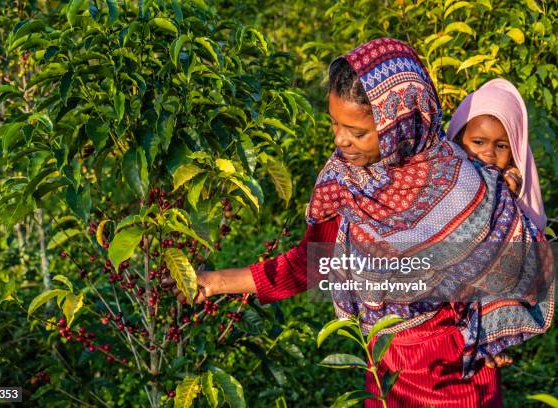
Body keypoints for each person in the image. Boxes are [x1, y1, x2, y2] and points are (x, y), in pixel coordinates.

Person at [162, 38, 553, 407]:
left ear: (399, 123)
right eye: (336, 125)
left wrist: (491, 337)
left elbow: (512, 259)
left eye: (359, 132)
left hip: (454, 377)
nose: (342, 142)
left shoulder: (463, 183)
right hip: (383, 366)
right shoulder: (345, 185)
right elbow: (312, 263)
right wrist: (215, 282)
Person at [446, 78, 547, 232]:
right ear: (458, 139)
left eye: (501, 146)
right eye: (478, 142)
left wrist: (509, 196)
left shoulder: (516, 187)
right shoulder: (443, 177)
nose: (489, 153)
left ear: (515, 151)